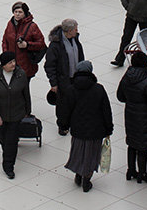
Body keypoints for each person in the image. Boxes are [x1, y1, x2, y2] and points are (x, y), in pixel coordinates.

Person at [58, 60, 113, 193]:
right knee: (92, 154)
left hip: (78, 129)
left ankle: (78, 174)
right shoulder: (98, 89)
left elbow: (65, 110)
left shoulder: (71, 89)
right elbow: (106, 110)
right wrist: (108, 128)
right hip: (96, 130)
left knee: (78, 152)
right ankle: (86, 180)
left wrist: (63, 125)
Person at [117, 51, 147, 184]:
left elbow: (120, 96)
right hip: (144, 116)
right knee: (142, 145)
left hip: (130, 113)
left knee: (131, 143)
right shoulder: (146, 82)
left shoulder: (126, 77)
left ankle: (131, 170)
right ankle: (142, 173)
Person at [0, 51, 31, 179]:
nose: (13, 64)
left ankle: (8, 166)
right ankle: (7, 153)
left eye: (14, 61)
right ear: (3, 65)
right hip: (1, 115)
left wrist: (27, 111)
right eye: (10, 62)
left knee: (11, 142)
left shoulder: (20, 75)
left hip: (16, 115)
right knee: (3, 139)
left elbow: (26, 94)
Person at [43, 18, 84, 136]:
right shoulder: (55, 45)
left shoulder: (75, 39)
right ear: (69, 31)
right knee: (63, 104)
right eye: (75, 29)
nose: (77, 31)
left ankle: (74, 122)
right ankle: (63, 125)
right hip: (63, 80)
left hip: (76, 77)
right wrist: (54, 83)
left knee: (76, 101)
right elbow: (49, 66)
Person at [2, 1, 46, 78]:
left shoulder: (32, 26)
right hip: (12, 64)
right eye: (15, 12)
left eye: (20, 12)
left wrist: (27, 45)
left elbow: (41, 44)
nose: (17, 14)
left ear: (25, 13)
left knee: (23, 88)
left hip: (26, 65)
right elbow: (5, 40)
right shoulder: (10, 24)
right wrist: (6, 55)